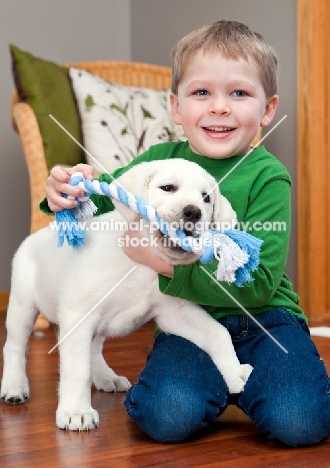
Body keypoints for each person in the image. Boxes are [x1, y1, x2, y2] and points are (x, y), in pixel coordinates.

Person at [43, 20, 330, 446]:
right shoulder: (159, 161)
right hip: (186, 319)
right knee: (165, 417)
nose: (219, 107)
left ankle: (256, 385)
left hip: (265, 320)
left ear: (267, 109)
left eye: (239, 93)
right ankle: (216, 387)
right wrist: (66, 190)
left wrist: (157, 262)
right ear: (176, 108)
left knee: (301, 422)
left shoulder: (269, 177)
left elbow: (256, 285)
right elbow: (101, 198)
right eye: (201, 93)